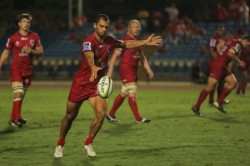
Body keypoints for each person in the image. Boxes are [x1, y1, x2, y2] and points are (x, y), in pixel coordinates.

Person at [54, 14, 162, 158]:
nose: (104, 29)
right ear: (94, 25)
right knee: (69, 116)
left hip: (96, 86)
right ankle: (60, 143)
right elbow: (88, 54)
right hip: (80, 84)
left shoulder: (110, 41)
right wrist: (92, 66)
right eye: (101, 26)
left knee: (101, 114)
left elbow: (126, 44)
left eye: (106, 27)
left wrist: (144, 42)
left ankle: (88, 143)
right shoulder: (88, 41)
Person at [105, 20, 154, 124]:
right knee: (132, 92)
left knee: (124, 93)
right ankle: (138, 118)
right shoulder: (125, 41)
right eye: (134, 27)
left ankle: (111, 114)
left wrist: (148, 69)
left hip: (133, 71)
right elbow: (114, 55)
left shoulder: (137, 42)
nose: (137, 28)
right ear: (129, 29)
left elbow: (142, 57)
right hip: (126, 70)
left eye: (138, 27)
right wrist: (110, 71)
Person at [0, 13, 43, 127]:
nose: (26, 24)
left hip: (28, 70)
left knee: (20, 96)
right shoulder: (13, 38)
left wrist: (31, 51)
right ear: (19, 24)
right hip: (16, 69)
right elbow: (6, 52)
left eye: (28, 22)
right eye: (24, 22)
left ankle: (12, 120)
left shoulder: (34, 36)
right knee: (18, 92)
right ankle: (18, 119)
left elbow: (40, 51)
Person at [192, 36, 250, 116]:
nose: (247, 47)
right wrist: (239, 62)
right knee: (210, 87)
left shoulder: (232, 40)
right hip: (219, 66)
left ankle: (218, 102)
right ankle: (196, 106)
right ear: (247, 41)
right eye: (248, 45)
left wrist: (220, 56)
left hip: (223, 66)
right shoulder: (238, 44)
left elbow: (219, 45)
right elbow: (230, 53)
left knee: (233, 83)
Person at [207, 25, 230, 105]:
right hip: (215, 63)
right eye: (220, 30)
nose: (221, 31)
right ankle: (211, 100)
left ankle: (219, 100)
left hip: (221, 63)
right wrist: (218, 61)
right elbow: (212, 50)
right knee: (214, 82)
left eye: (222, 30)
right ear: (216, 30)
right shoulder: (213, 39)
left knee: (221, 82)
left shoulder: (222, 40)